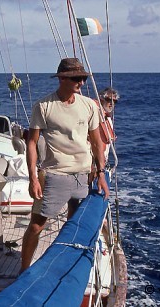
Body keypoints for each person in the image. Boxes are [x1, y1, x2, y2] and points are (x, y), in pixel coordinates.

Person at [20, 57, 110, 272]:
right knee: (36, 225)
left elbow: (97, 142)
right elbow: (31, 143)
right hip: (55, 175)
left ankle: (65, 265)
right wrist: (33, 178)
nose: (81, 82)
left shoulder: (89, 105)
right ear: (61, 79)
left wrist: (101, 174)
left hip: (83, 176)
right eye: (76, 78)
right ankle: (23, 270)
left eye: (82, 78)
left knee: (74, 225)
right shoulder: (43, 106)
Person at [97, 87, 119, 163]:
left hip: (103, 161)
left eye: (115, 101)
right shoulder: (95, 115)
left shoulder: (108, 119)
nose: (112, 103)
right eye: (109, 100)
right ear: (101, 99)